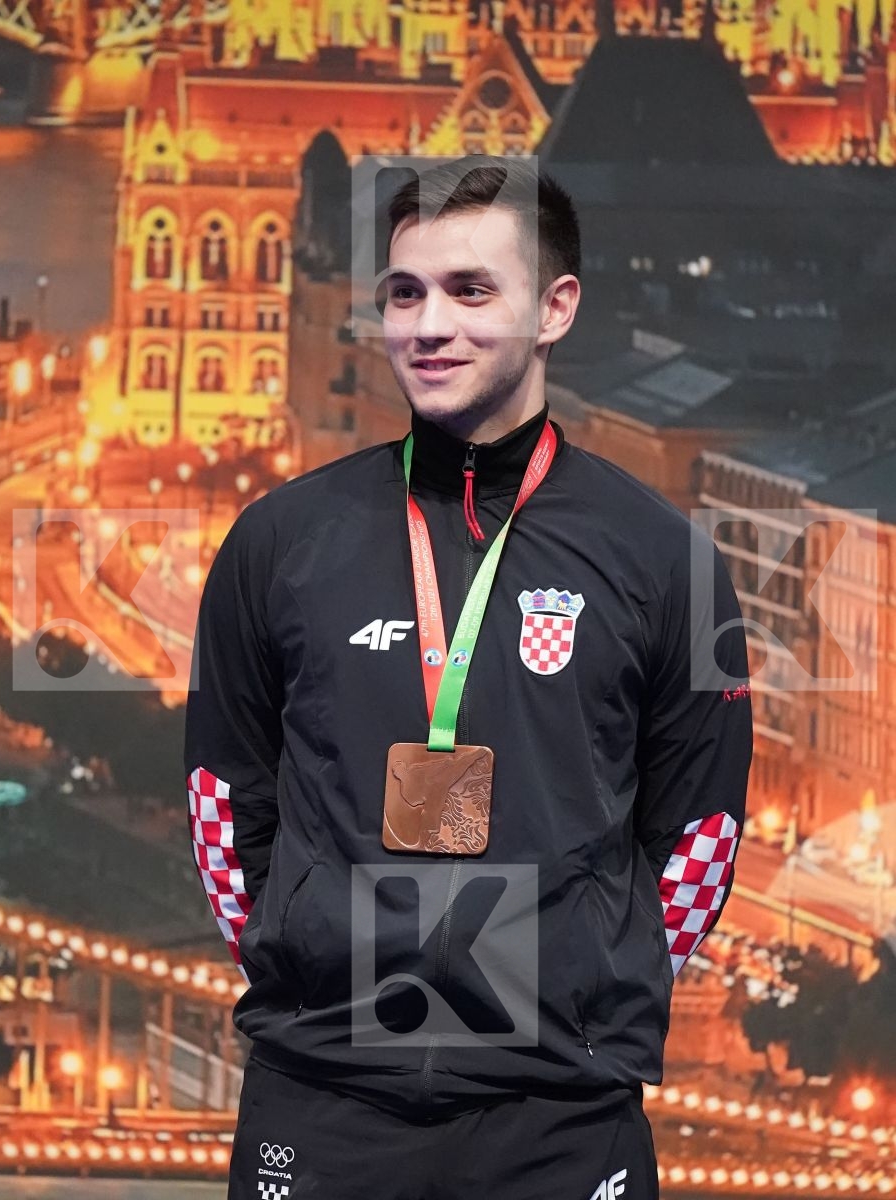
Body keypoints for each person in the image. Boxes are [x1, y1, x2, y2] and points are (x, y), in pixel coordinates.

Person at [183, 155, 753, 1200]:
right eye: (405, 292)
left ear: (555, 309)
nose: (426, 325)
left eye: (470, 290)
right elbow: (223, 798)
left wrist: (588, 985)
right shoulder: (277, 542)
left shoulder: (673, 564)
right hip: (324, 1100)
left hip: (561, 1119)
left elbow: (702, 832)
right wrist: (306, 958)